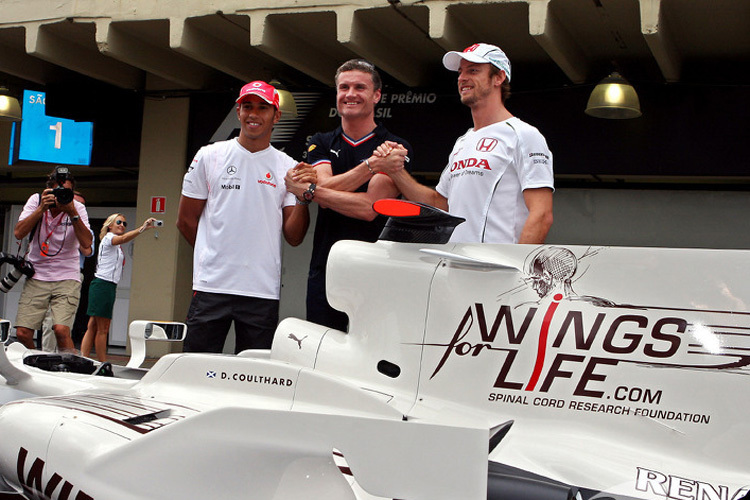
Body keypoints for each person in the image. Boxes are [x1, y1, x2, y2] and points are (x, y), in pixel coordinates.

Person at [177, 80, 314, 354]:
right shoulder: (210, 155)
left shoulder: (287, 167)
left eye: (263, 108)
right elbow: (185, 220)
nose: (254, 114)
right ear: (238, 111)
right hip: (211, 285)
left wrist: (303, 196)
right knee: (196, 367)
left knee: (254, 376)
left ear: (276, 115)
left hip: (261, 290)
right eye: (247, 106)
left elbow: (295, 236)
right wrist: (213, 253)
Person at [372, 43, 554, 244]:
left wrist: (519, 270)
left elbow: (542, 215)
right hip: (455, 266)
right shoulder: (463, 141)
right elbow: (439, 204)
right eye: (460, 72)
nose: (462, 78)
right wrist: (396, 171)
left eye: (473, 70)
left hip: (498, 270)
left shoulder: (524, 135)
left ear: (499, 77)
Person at [284, 59, 414, 331]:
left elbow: (369, 208)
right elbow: (327, 185)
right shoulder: (319, 141)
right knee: (321, 353)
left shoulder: (394, 146)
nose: (350, 94)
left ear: (376, 95)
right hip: (326, 269)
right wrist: (371, 166)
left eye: (360, 87)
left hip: (376, 271)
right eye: (344, 87)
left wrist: (311, 192)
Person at [13, 166, 93, 351]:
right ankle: (36, 362)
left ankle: (71, 368)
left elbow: (87, 243)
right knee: (23, 333)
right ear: (49, 190)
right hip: (37, 274)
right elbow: (18, 232)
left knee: (61, 330)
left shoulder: (77, 207)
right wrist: (41, 209)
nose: (61, 196)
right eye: (57, 191)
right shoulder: (37, 200)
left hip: (67, 275)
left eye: (66, 191)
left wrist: (72, 212)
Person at [81, 214, 156, 361]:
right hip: (103, 284)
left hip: (106, 285)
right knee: (103, 329)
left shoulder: (114, 244)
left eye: (124, 223)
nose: (122, 225)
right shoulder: (109, 238)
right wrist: (142, 228)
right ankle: (102, 361)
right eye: (119, 222)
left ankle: (84, 357)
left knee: (94, 325)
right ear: (110, 225)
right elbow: (122, 239)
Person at [41, 191, 94, 352]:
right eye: (71, 203)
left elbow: (87, 250)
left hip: (72, 276)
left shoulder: (85, 229)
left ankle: (63, 359)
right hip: (51, 274)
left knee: (64, 322)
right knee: (49, 320)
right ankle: (47, 355)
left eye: (79, 205)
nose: (74, 207)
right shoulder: (51, 224)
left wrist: (75, 230)